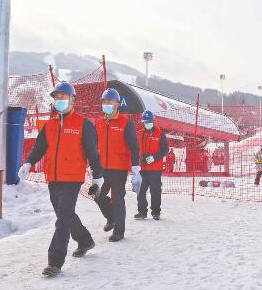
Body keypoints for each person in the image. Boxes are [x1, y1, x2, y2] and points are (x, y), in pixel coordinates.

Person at [18, 81, 103, 277]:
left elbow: (93, 153)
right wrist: (29, 163)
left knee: (63, 218)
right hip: (54, 177)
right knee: (64, 215)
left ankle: (55, 261)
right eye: (57, 98)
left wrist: (98, 177)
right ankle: (84, 240)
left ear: (72, 100)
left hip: (72, 178)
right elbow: (39, 147)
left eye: (63, 98)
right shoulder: (50, 125)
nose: (60, 101)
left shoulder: (83, 124)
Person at [91, 88, 141, 242]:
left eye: (110, 102)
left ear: (117, 104)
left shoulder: (125, 123)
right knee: (96, 194)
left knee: (118, 199)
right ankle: (111, 218)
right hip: (102, 168)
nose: (106, 104)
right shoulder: (99, 122)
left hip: (119, 168)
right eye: (104, 101)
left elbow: (134, 146)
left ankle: (119, 231)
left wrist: (135, 166)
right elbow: (92, 145)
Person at [135, 110, 169, 220]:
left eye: (149, 121)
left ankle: (156, 212)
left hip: (155, 168)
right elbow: (135, 149)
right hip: (142, 168)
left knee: (155, 191)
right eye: (145, 122)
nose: (147, 124)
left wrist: (154, 157)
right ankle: (142, 212)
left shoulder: (160, 135)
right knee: (140, 190)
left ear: (153, 121)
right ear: (143, 122)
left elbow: (165, 149)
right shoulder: (139, 134)